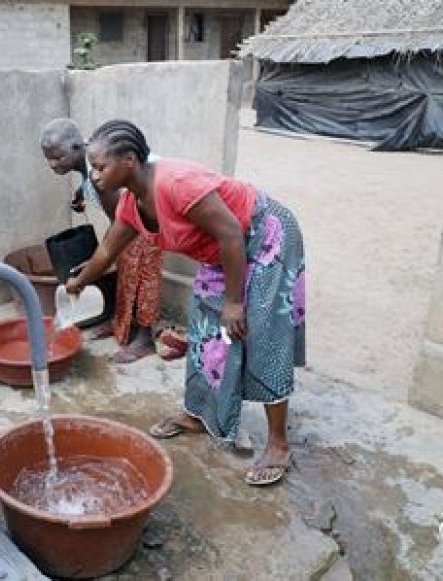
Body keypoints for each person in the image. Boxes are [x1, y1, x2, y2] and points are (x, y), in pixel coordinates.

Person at [66, 120, 306, 486]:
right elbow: (107, 250)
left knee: (260, 332)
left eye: (100, 167)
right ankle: (199, 414)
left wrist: (232, 302)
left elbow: (229, 232)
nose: (94, 176)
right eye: (92, 168)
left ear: (129, 160)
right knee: (207, 334)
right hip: (224, 251)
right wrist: (78, 283)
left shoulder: (175, 184)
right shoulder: (132, 203)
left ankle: (278, 443)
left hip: (262, 235)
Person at [40, 119, 170, 363]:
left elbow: (119, 222)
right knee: (125, 271)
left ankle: (144, 338)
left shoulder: (98, 171)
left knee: (144, 277)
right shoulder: (91, 160)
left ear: (78, 147)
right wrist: (80, 195)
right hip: (135, 214)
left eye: (58, 157)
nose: (52, 164)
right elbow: (93, 187)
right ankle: (122, 322)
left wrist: (100, 258)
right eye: (48, 158)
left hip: (148, 216)